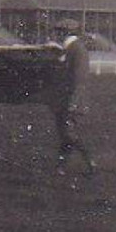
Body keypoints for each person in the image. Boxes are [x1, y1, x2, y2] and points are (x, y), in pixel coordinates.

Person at [44, 17, 96, 175]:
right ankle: (61, 167)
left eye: (58, 32)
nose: (56, 35)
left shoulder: (76, 49)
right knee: (65, 132)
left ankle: (89, 159)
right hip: (65, 99)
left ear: (65, 32)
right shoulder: (70, 48)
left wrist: (73, 103)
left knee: (69, 133)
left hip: (71, 100)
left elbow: (79, 79)